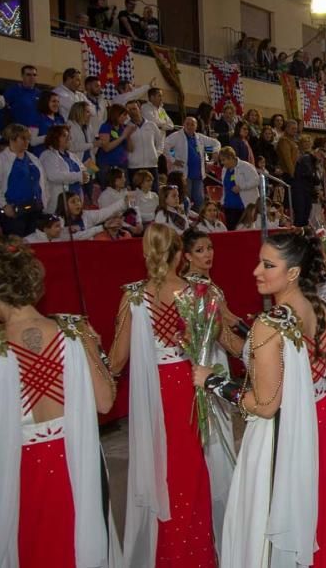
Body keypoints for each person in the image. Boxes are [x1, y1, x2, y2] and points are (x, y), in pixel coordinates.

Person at [191, 230, 326, 567]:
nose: (257, 271)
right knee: (322, 509)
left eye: (267, 264)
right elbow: (299, 357)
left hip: (284, 433)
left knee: (282, 518)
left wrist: (213, 382)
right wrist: (237, 329)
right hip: (324, 423)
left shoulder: (269, 324)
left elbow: (266, 403)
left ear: (293, 272)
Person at [0, 240, 121, 567]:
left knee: (34, 546)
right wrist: (97, 354)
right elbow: (104, 402)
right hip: (78, 460)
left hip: (24, 467)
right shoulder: (76, 329)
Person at [109, 224, 223, 566]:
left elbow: (116, 359)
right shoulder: (196, 292)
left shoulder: (133, 297)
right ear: (178, 256)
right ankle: (197, 555)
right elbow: (210, 342)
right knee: (190, 470)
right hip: (188, 386)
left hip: (154, 393)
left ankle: (169, 555)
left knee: (160, 471)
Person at [0, 124, 47, 237]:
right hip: (13, 211)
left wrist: (44, 202)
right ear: (12, 139)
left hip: (35, 209)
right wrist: (3, 205)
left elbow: (42, 183)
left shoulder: (33, 159)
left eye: (28, 138)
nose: (27, 141)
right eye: (23, 138)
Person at [164, 116, 220, 210]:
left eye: (192, 124)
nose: (190, 126)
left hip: (198, 176)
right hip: (185, 176)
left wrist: (215, 151)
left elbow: (216, 143)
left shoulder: (200, 137)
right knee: (186, 201)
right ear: (183, 125)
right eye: (187, 124)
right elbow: (165, 146)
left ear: (196, 126)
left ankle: (200, 222)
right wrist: (173, 160)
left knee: (200, 201)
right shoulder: (176, 136)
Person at [39, 125, 89, 212]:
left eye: (69, 136)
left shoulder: (71, 155)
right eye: (64, 136)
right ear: (55, 138)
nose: (69, 138)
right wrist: (78, 176)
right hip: (59, 201)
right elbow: (53, 176)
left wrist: (85, 176)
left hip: (75, 197)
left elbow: (83, 171)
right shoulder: (48, 155)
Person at [219, 145, 260, 230]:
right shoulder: (224, 169)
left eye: (224, 160)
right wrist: (222, 201)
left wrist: (241, 187)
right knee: (232, 232)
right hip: (229, 207)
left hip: (243, 208)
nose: (222, 163)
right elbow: (225, 187)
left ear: (231, 157)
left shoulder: (246, 166)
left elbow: (256, 180)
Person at [55, 191, 126, 239]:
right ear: (64, 205)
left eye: (79, 200)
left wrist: (124, 202)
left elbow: (106, 212)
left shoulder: (86, 215)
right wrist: (102, 227)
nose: (78, 204)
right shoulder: (58, 221)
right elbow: (75, 238)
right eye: (73, 201)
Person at [125, 100, 163, 186]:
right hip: (134, 167)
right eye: (129, 110)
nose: (132, 112)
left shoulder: (152, 125)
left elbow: (160, 142)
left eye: (134, 109)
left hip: (151, 166)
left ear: (139, 109)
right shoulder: (126, 127)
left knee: (154, 194)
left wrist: (156, 155)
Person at [94, 104, 134, 187]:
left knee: (124, 191)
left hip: (122, 165)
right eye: (124, 115)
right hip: (106, 166)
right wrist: (123, 136)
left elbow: (130, 149)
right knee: (108, 191)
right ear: (116, 114)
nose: (126, 118)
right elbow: (106, 148)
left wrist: (128, 136)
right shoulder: (105, 127)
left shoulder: (123, 128)